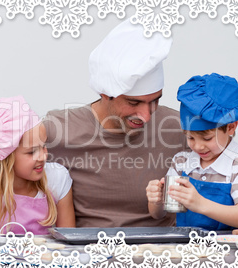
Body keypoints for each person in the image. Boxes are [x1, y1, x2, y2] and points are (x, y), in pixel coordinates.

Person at [43, 20, 188, 227]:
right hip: (89, 252)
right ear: (105, 93)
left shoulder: (178, 127)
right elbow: (4, 169)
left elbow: (231, 172)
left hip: (161, 251)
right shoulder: (59, 128)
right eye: (133, 102)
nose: (146, 116)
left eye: (155, 100)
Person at [146, 73, 238, 230]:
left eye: (207, 139)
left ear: (231, 127)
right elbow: (158, 215)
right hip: (186, 248)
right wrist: (156, 201)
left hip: (224, 250)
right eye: (190, 138)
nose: (198, 146)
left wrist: (200, 204)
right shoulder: (181, 162)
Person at [0, 96, 75, 236]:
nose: (44, 156)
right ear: (7, 158)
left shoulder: (57, 178)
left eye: (44, 146)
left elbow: (69, 245)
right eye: (32, 151)